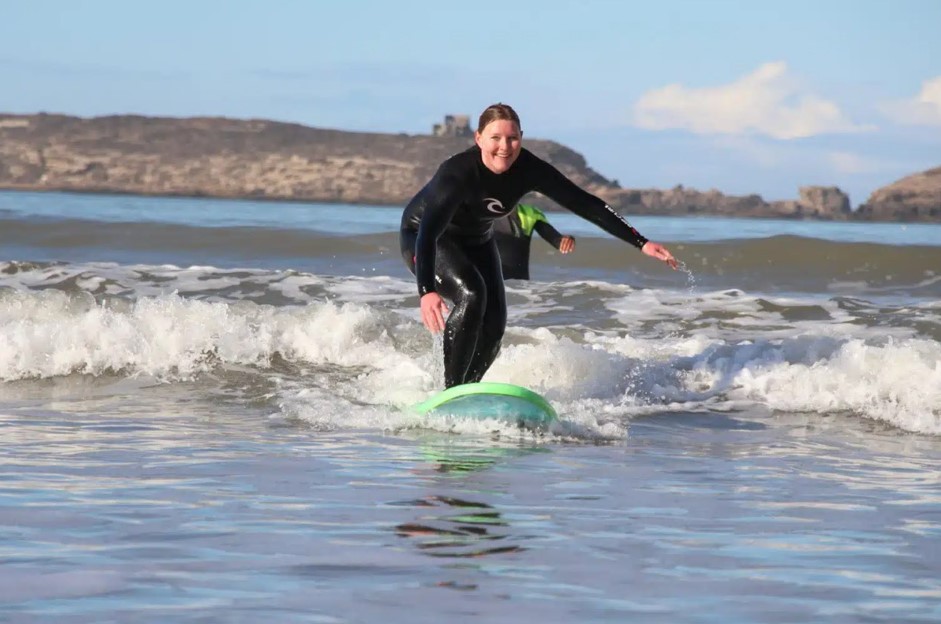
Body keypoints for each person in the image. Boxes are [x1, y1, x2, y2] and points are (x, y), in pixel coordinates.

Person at [400, 103, 677, 389]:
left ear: (521, 137)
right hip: (424, 238)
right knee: (472, 294)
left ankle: (468, 390)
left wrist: (640, 242)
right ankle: (451, 391)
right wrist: (426, 291)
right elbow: (428, 232)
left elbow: (584, 203)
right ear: (478, 138)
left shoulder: (528, 168)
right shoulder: (457, 174)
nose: (504, 147)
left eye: (512, 138)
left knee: (495, 324)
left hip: (477, 240)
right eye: (495, 138)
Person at [493, 203, 575, 280]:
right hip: (489, 286)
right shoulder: (481, 214)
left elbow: (556, 240)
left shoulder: (530, 214)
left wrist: (567, 241)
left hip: (520, 289)